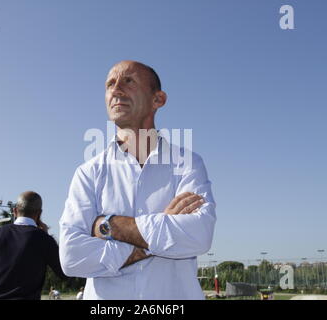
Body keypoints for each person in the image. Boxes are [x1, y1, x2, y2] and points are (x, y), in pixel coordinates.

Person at [59, 61, 217, 299]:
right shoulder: (87, 173)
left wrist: (110, 226)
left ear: (158, 99)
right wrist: (161, 234)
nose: (116, 89)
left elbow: (199, 235)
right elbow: (72, 257)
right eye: (110, 84)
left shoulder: (188, 163)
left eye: (128, 81)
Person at [0, 191, 66, 300]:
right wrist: (48, 238)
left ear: (15, 210)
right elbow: (64, 273)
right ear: (39, 214)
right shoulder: (44, 240)